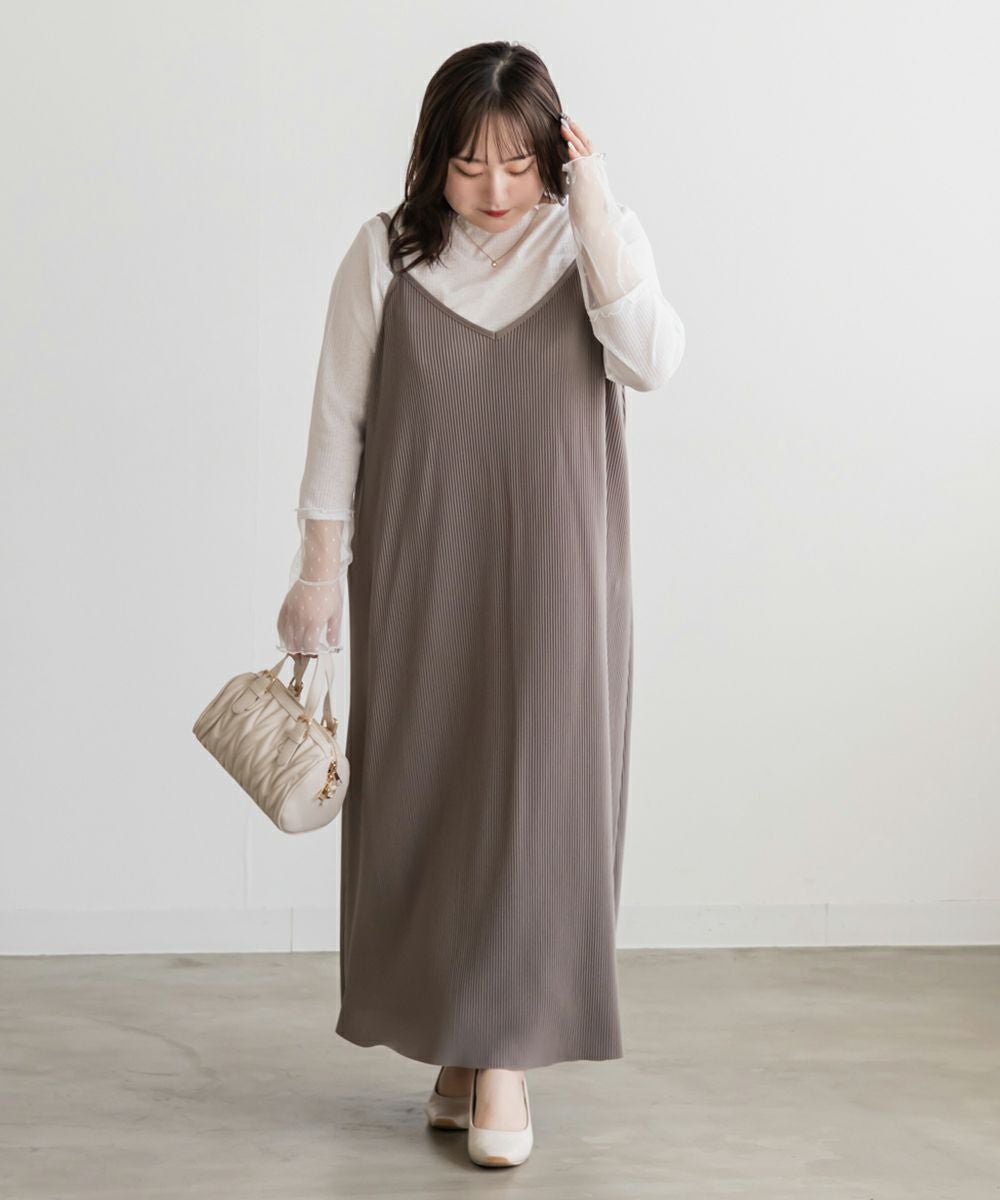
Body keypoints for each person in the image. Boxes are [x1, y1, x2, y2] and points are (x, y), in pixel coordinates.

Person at [276, 40, 685, 1168]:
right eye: (467, 166)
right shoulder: (386, 254)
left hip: (560, 568)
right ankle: (457, 1044)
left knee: (540, 792)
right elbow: (337, 420)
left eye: (517, 164)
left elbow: (651, 360)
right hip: (419, 566)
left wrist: (594, 210)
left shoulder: (592, 238)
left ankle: (504, 1054)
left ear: (554, 154)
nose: (494, 190)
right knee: (429, 791)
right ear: (432, 160)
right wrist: (317, 574)